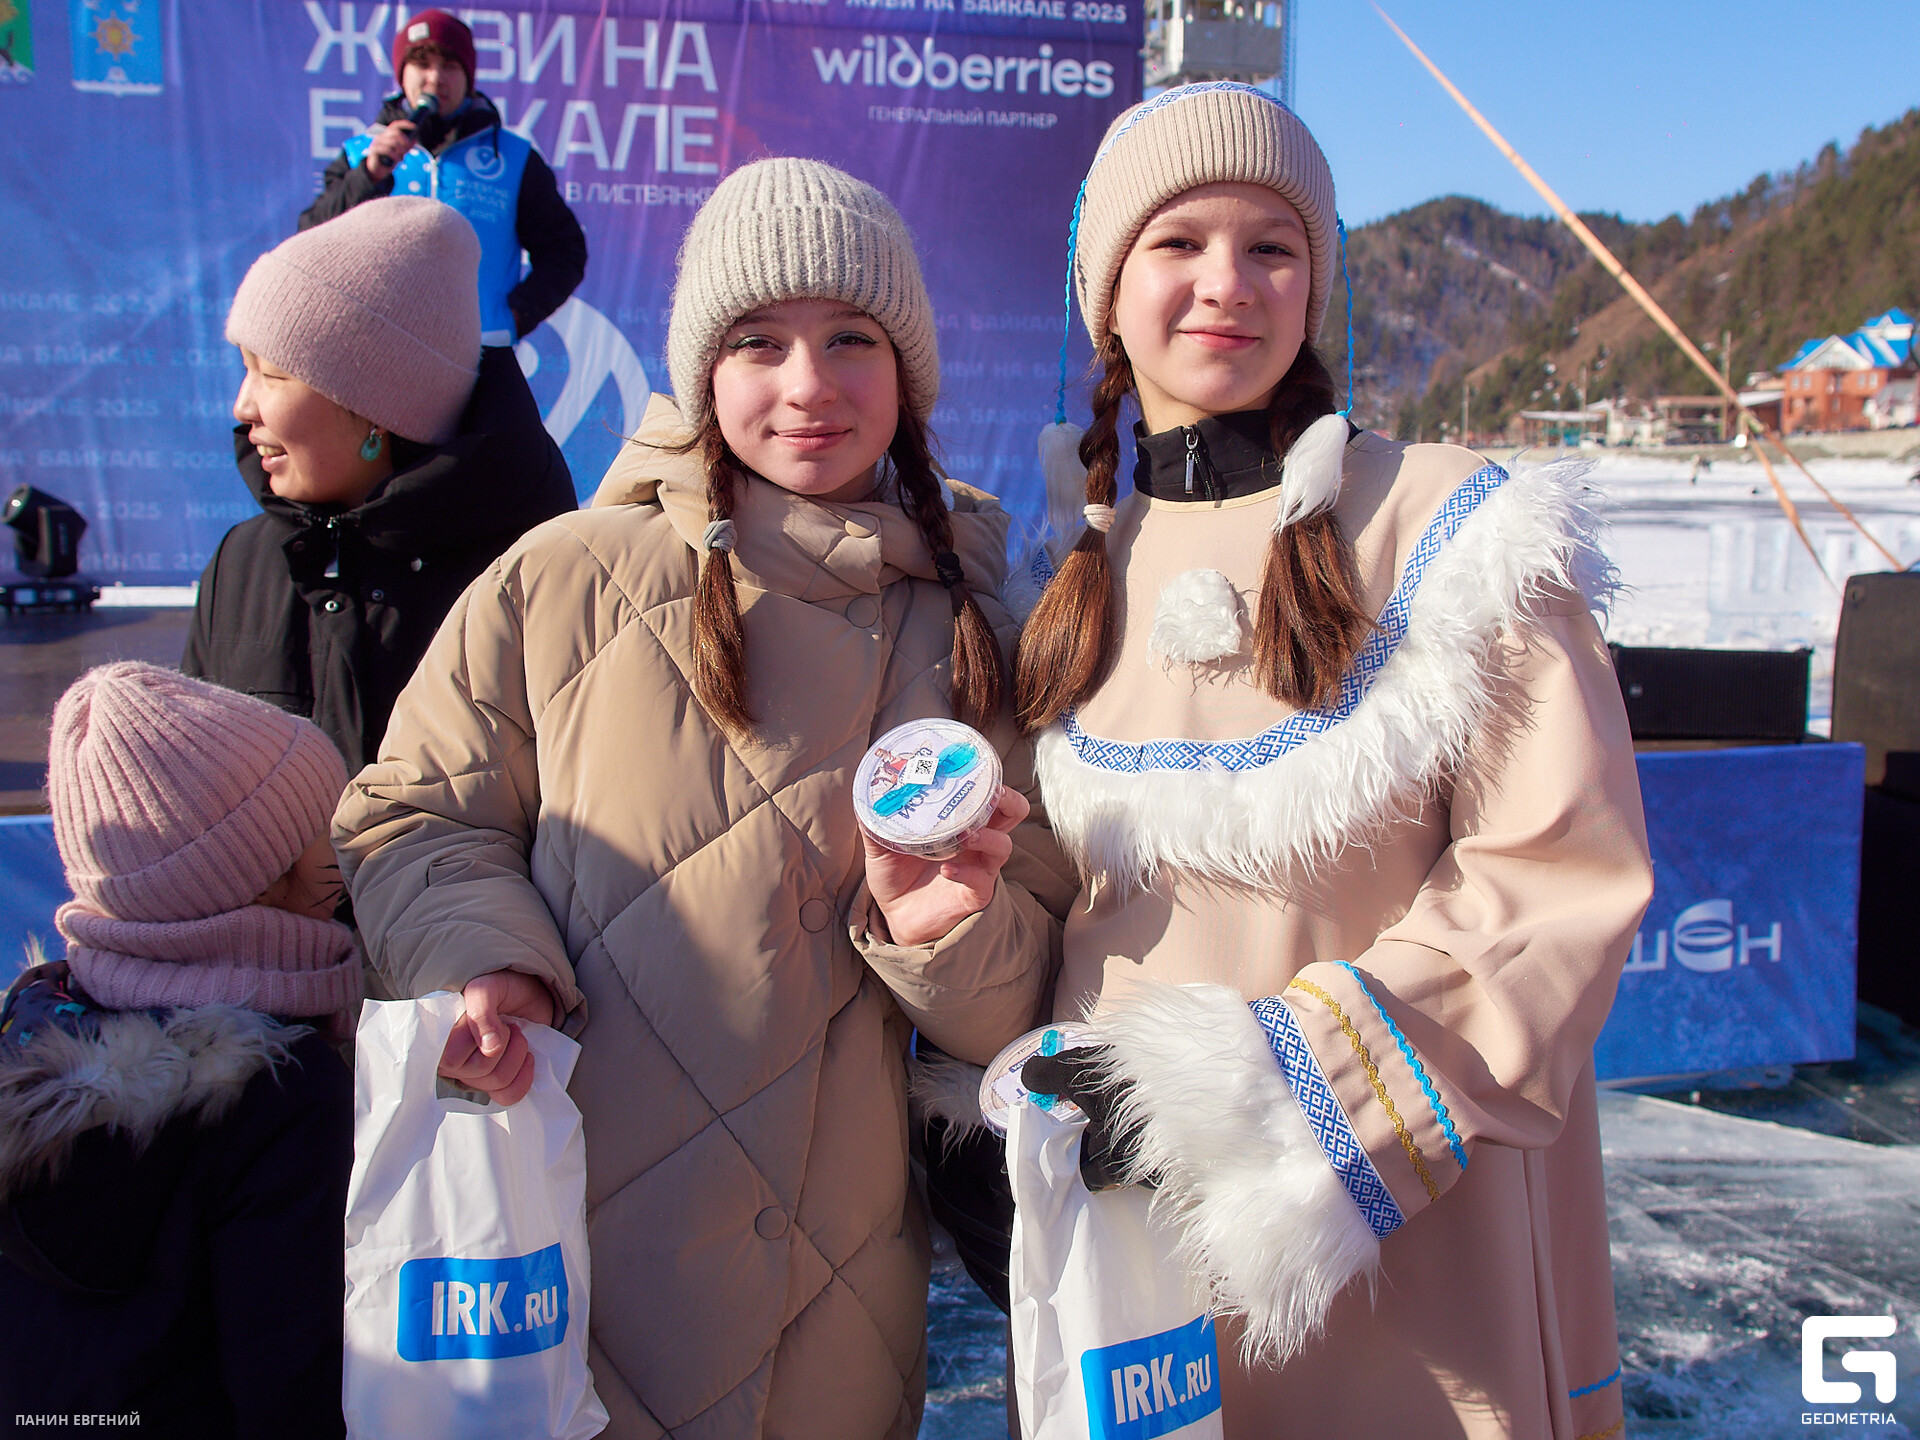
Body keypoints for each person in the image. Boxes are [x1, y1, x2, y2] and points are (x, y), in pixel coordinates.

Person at [332, 157, 1076, 1438]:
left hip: (842, 1312)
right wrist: (486, 960)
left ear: (909, 370)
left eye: (852, 338)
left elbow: (1023, 997)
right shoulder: (565, 578)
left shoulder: (977, 627)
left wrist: (948, 933)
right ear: (700, 370)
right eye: (757, 341)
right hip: (569, 1269)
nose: (808, 383)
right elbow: (414, 815)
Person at [1011, 85, 1653, 1440]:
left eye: (1273, 247)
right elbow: (1052, 912)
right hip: (1132, 1249)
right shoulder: (1070, 576)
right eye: (1178, 244)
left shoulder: (1451, 527)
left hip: (1410, 1235)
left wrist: (1267, 1097)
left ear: (1316, 283)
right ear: (1107, 292)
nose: (1227, 285)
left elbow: (1554, 884)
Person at [0, 662, 359, 1438]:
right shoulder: (280, 1094)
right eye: (321, 825)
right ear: (256, 877)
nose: (346, 840)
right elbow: (291, 1388)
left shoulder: (29, 1038)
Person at [183, 196, 576, 773]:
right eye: (245, 367)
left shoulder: (532, 578)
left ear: (379, 410)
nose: (243, 407)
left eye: (274, 374)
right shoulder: (242, 563)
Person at [298, 8, 587, 346]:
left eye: (449, 65)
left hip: (479, 351)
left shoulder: (513, 158)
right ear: (402, 75)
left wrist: (514, 316)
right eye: (422, 64)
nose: (435, 78)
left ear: (468, 76)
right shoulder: (361, 154)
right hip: (377, 352)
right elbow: (311, 239)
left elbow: (565, 251)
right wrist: (368, 175)